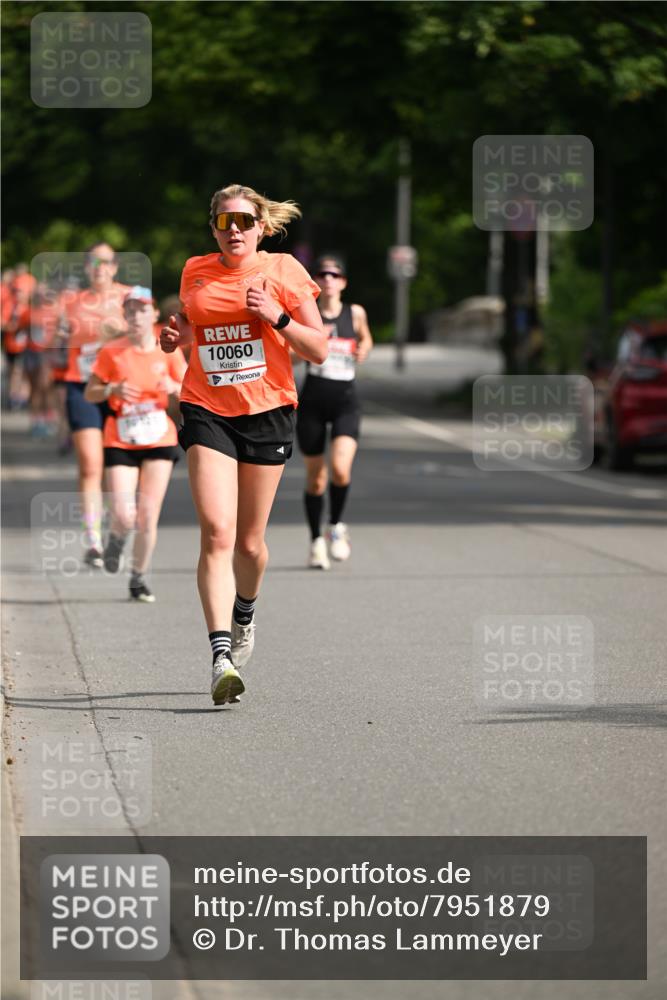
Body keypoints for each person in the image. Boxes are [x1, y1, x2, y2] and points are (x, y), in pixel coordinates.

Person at [160, 183, 327, 706]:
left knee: (249, 545)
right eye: (224, 221)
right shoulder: (195, 271)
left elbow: (319, 349)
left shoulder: (284, 271)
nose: (234, 230)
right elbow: (197, 329)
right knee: (217, 532)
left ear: (262, 228)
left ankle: (245, 612)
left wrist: (277, 315)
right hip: (206, 407)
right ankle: (220, 657)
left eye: (244, 221)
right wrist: (176, 339)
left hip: (268, 411)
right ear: (213, 228)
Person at [85, 286, 187, 602]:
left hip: (159, 435)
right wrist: (112, 390)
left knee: (147, 515)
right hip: (121, 437)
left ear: (154, 314)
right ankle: (116, 539)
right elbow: (90, 392)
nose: (136, 316)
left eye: (142, 310)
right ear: (124, 316)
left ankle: (138, 577)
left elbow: (189, 389)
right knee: (123, 514)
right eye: (130, 310)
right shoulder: (112, 351)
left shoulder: (167, 348)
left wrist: (174, 386)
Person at [296, 254, 373, 569]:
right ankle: (316, 541)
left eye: (334, 274)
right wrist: (311, 347)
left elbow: (365, 339)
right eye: (322, 274)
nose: (328, 279)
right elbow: (289, 353)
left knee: (340, 469)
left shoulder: (355, 313)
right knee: (316, 479)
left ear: (343, 282)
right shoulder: (307, 314)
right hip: (313, 403)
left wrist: (364, 350)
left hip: (345, 402)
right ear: (315, 280)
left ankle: (336, 527)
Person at [59, 244, 129, 567]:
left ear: (115, 266)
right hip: (82, 386)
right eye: (93, 261)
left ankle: (116, 529)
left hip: (119, 388)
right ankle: (93, 540)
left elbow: (147, 338)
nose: (100, 267)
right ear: (86, 267)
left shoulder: (131, 297)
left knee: (116, 466)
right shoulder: (71, 302)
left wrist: (121, 332)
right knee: (90, 464)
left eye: (106, 262)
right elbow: (57, 342)